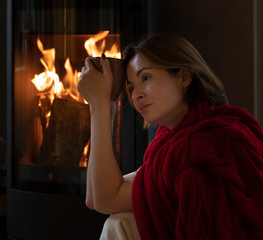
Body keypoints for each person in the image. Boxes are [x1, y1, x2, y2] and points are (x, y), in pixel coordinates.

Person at [77, 33, 263, 239]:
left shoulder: (203, 145)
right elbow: (95, 199)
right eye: (130, 87)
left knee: (119, 223)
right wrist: (107, 102)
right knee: (120, 223)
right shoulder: (172, 140)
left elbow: (105, 199)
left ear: (184, 76)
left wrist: (99, 104)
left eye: (145, 78)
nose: (136, 94)